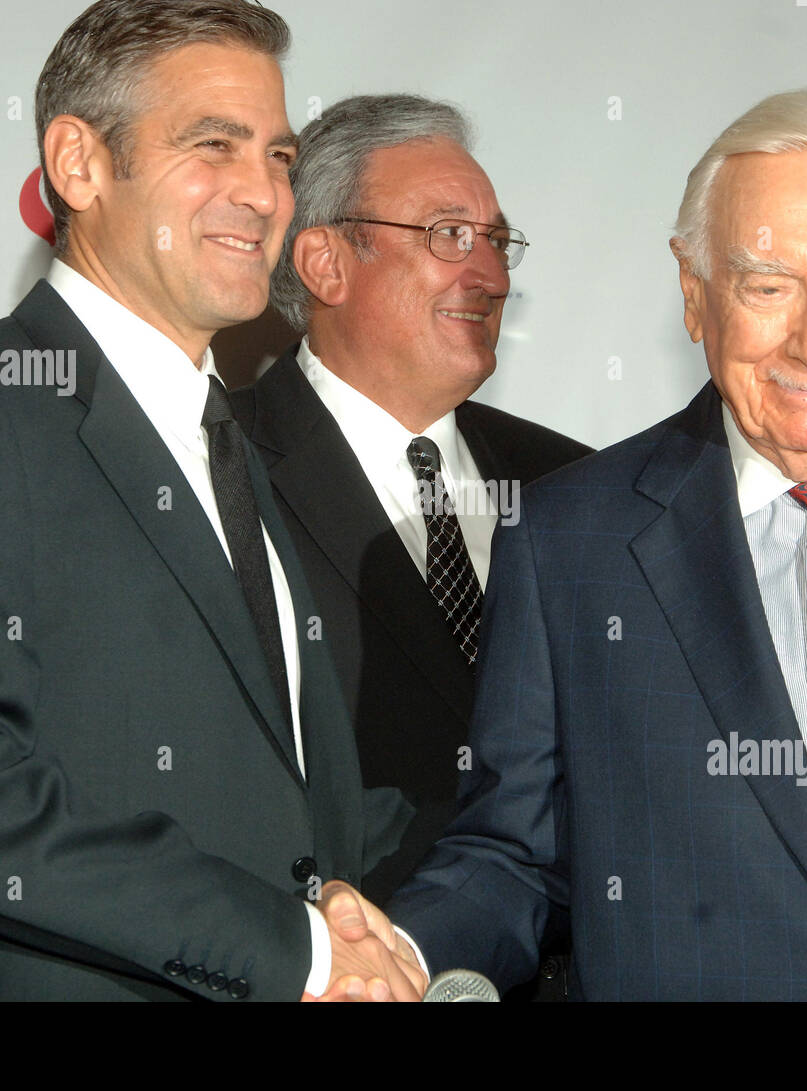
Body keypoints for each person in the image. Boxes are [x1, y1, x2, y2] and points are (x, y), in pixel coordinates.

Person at [322, 86, 807, 1001]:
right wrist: (403, 954)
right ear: (695, 294)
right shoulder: (568, 540)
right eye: (769, 287)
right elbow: (516, 855)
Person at [0, 0, 423, 1003]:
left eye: (276, 155)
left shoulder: (232, 448)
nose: (264, 193)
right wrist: (294, 949)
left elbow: (286, 798)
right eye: (212, 145)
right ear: (79, 163)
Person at [229, 95, 589, 909]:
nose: (491, 275)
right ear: (325, 263)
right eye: (449, 235)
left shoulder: (575, 486)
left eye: (497, 241)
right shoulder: (217, 467)